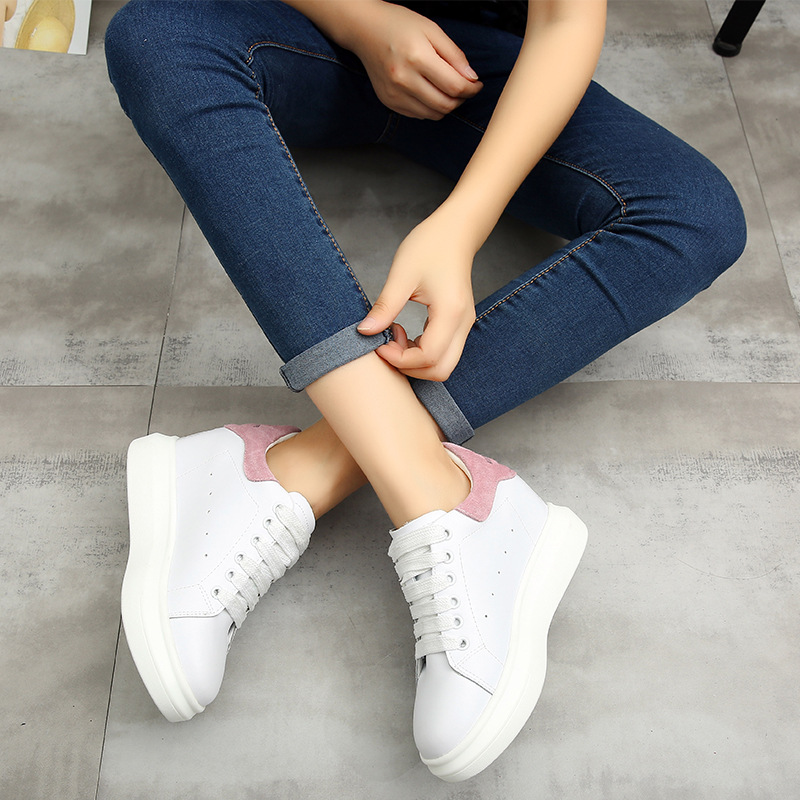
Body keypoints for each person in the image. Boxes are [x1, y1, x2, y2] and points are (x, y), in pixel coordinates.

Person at [104, 0, 746, 782]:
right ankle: (438, 495)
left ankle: (294, 470)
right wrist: (360, 19)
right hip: (302, 38)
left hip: (485, 76)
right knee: (154, 36)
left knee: (696, 216)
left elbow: (566, 21)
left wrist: (462, 223)